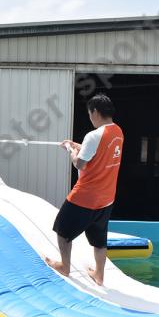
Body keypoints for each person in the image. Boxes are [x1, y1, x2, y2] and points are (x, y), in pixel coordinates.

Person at [46, 93, 124, 286]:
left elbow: (79, 163)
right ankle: (99, 275)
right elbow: (100, 153)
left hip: (85, 196)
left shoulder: (93, 135)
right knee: (99, 239)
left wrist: (70, 150)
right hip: (106, 198)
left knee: (62, 230)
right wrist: (78, 146)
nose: (90, 118)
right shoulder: (118, 132)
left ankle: (64, 266)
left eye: (90, 114)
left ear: (95, 112)